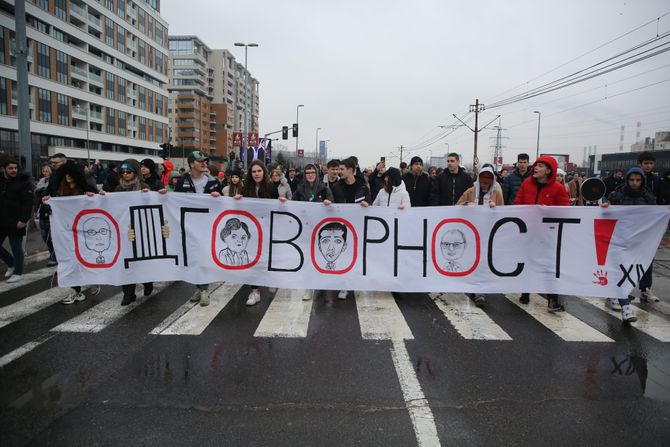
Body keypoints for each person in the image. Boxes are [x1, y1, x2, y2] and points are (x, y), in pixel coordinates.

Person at [514, 155, 571, 312]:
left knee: (549, 266)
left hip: (548, 235)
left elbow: (566, 210)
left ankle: (552, 300)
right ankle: (525, 293)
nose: (535, 168)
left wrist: (549, 210)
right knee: (527, 261)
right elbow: (517, 203)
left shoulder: (558, 188)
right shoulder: (526, 184)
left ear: (548, 170)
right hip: (528, 232)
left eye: (539, 166)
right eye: (536, 165)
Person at [600, 167, 655, 322]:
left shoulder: (649, 198)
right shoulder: (616, 195)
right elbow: (605, 206)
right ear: (627, 179)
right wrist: (604, 204)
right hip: (620, 239)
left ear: (642, 180)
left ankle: (639, 290)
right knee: (620, 272)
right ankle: (625, 307)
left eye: (638, 180)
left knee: (633, 271)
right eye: (632, 180)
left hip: (639, 241)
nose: (634, 183)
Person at [43, 161, 100, 303]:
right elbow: (45, 201)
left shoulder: (86, 188)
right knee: (69, 260)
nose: (68, 177)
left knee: (85, 257)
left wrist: (93, 196)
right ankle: (76, 290)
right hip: (65, 231)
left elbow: (100, 202)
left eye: (71, 174)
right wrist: (47, 204)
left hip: (83, 231)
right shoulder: (57, 187)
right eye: (65, 174)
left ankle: (95, 279)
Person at [111, 159, 162, 306]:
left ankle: (147, 281)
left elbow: (154, 205)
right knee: (126, 262)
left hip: (142, 229)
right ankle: (128, 293)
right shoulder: (118, 189)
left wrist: (150, 195)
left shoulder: (144, 187)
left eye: (129, 172)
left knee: (142, 259)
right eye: (123, 172)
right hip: (125, 231)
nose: (125, 174)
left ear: (135, 173)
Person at [174, 151, 222, 306]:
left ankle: (204, 290)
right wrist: (163, 195)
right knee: (194, 257)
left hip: (208, 226)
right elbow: (174, 201)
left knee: (204, 256)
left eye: (205, 161)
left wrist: (218, 197)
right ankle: (199, 287)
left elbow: (223, 203)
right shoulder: (183, 181)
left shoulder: (213, 182)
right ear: (191, 164)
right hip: (190, 226)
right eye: (200, 161)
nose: (204, 163)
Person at [456, 165, 504, 307]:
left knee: (483, 262)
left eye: (488, 179)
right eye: (483, 179)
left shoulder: (496, 193)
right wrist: (467, 204)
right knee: (472, 260)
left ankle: (480, 292)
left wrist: (495, 207)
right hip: (471, 232)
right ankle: (473, 287)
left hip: (487, 233)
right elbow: (457, 206)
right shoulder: (470, 191)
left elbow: (503, 213)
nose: (484, 182)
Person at [234, 160, 280, 306]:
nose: (257, 174)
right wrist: (237, 200)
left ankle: (271, 279)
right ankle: (255, 291)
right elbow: (239, 207)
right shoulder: (245, 188)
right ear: (250, 174)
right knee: (252, 260)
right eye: (254, 171)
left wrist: (282, 202)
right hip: (251, 230)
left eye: (259, 171)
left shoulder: (271, 187)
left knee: (268, 256)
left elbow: (276, 206)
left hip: (267, 228)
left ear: (264, 172)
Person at [331, 157, 370, 299]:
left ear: (350, 170)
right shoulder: (336, 187)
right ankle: (344, 285)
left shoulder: (362, 185)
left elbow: (369, 201)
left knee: (356, 255)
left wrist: (367, 204)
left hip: (358, 226)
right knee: (343, 255)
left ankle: (355, 281)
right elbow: (333, 204)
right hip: (341, 227)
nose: (339, 172)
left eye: (342, 169)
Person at [292, 164, 333, 301]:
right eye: (307, 172)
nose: (310, 174)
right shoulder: (299, 190)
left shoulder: (324, 189)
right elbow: (292, 205)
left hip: (320, 230)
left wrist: (329, 203)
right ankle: (309, 287)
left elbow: (333, 204)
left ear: (317, 174)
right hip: (305, 229)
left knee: (320, 257)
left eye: (312, 172)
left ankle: (322, 283)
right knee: (308, 259)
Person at [0, 158, 33, 283]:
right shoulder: (1, 182)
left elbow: (28, 202)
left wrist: (24, 219)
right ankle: (11, 264)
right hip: (2, 220)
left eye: (15, 168)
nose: (14, 170)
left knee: (16, 248)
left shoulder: (23, 182)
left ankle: (18, 272)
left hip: (16, 221)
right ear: (4, 169)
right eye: (10, 168)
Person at [34, 164, 57, 266]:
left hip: (53, 211)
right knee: (44, 235)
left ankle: (54, 256)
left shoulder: (54, 181)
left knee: (52, 237)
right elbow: (37, 197)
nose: (45, 173)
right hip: (43, 211)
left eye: (47, 171)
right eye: (44, 171)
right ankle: (52, 253)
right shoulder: (40, 182)